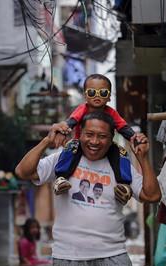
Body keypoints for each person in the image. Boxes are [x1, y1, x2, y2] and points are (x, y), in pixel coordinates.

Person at [15, 111, 161, 266]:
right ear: (80, 134)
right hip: (69, 258)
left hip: (113, 257)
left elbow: (152, 196)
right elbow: (23, 171)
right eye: (89, 134)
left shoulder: (120, 163)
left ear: (111, 139)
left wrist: (142, 159)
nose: (94, 142)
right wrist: (47, 140)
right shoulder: (64, 157)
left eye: (102, 137)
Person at [52, 74, 144, 206]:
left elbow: (123, 127)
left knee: (122, 153)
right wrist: (61, 132)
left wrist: (135, 139)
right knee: (70, 147)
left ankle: (124, 186)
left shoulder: (112, 112)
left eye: (102, 92)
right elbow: (71, 121)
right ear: (85, 96)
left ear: (109, 96)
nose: (97, 96)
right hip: (81, 144)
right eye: (91, 92)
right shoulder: (82, 109)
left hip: (106, 146)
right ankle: (61, 179)